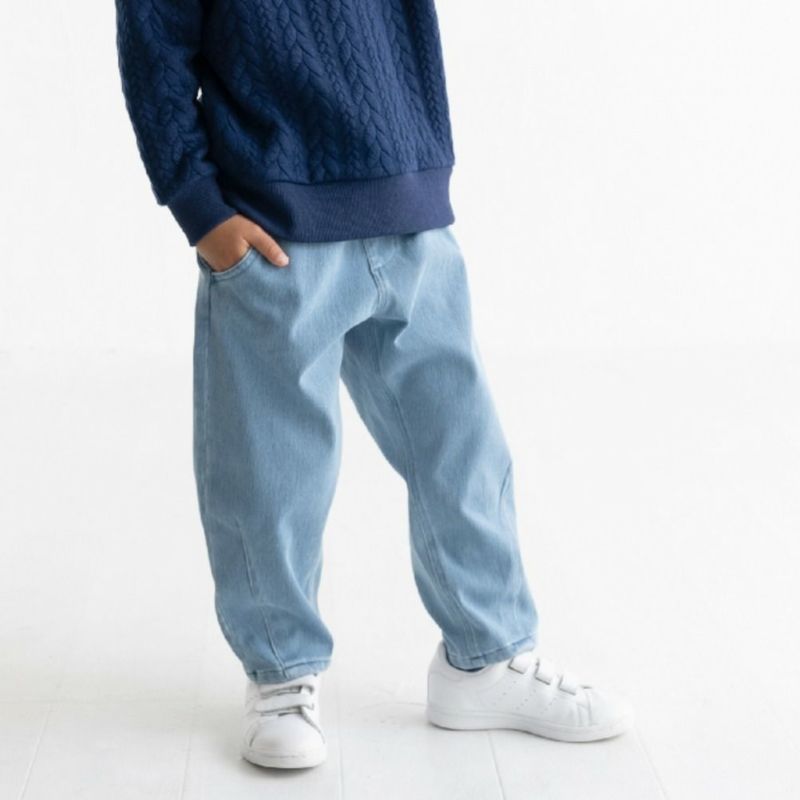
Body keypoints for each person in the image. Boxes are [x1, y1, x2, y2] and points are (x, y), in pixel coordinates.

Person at [115, 0, 634, 770]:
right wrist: (200, 209)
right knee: (273, 472)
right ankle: (280, 672)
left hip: (410, 209)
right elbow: (153, 45)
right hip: (272, 224)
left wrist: (421, 167)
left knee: (464, 449)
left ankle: (486, 658)